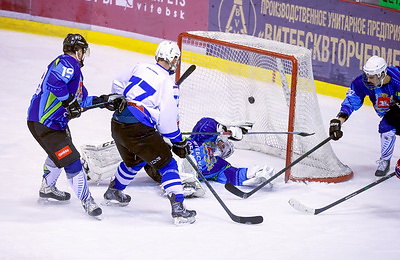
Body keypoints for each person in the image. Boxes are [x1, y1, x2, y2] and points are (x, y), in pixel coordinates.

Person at [27, 33, 122, 218]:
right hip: (46, 124)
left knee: (58, 155)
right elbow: (54, 82)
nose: (84, 54)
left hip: (54, 124)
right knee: (71, 160)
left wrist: (103, 101)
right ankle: (87, 201)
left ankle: (47, 187)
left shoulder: (74, 71)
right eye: (83, 51)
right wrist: (68, 102)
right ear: (78, 51)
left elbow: (80, 102)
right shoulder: (67, 62)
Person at [102, 40, 196, 225]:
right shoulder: (168, 84)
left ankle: (114, 191)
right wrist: (179, 142)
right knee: (167, 163)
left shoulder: (140, 67)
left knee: (135, 159)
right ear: (174, 59)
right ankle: (178, 208)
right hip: (138, 129)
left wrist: (123, 100)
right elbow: (167, 122)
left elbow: (117, 83)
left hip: (117, 123)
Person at [144, 117, 275, 195]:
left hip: (163, 174)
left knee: (179, 172)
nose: (223, 148)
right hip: (165, 157)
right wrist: (226, 129)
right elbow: (206, 123)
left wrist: (256, 174)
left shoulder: (218, 166)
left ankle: (184, 183)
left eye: (226, 151)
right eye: (224, 145)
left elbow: (234, 175)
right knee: (157, 147)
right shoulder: (201, 139)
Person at [329, 55, 400, 177]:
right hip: (393, 113)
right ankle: (385, 160)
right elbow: (351, 101)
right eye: (367, 76)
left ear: (382, 74)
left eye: (371, 77)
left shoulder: (397, 79)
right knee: (386, 125)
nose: (368, 80)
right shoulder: (363, 83)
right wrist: (339, 120)